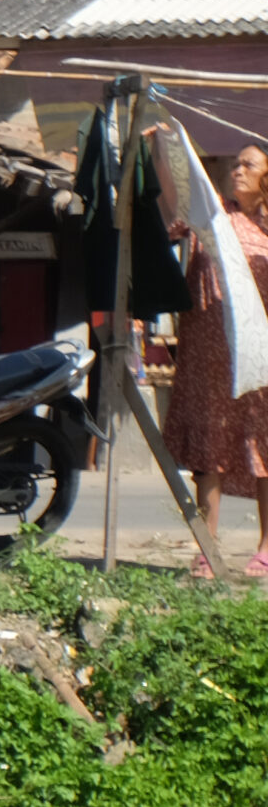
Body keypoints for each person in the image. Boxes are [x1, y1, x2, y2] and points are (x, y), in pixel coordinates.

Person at [161, 143, 268, 577]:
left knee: (263, 449)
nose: (237, 170)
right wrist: (160, 152)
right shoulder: (212, 213)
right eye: (235, 163)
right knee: (210, 451)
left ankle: (267, 547)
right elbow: (169, 216)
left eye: (249, 165)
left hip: (259, 357)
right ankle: (207, 546)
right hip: (208, 355)